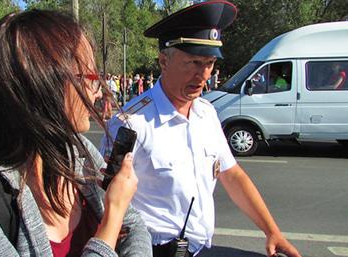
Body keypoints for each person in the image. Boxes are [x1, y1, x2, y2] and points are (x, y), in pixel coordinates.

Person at [0, 10, 151, 257]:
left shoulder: (79, 151)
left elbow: (136, 230)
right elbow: (121, 220)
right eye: (90, 77)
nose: (97, 93)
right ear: (45, 82)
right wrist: (112, 217)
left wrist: (120, 213)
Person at [101, 2, 301, 257]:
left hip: (200, 249)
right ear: (164, 60)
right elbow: (105, 200)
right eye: (193, 62)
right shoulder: (131, 122)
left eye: (209, 63)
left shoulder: (206, 114)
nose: (203, 74)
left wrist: (272, 231)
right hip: (152, 250)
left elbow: (233, 176)